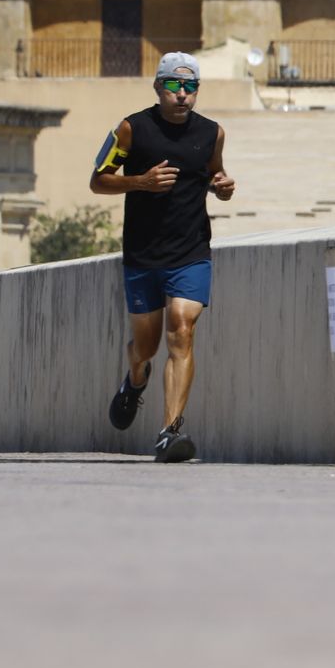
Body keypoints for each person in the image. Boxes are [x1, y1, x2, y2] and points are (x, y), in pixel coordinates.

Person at [91, 52, 235, 462]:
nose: (183, 95)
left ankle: (169, 432)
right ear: (158, 87)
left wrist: (221, 186)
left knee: (182, 329)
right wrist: (141, 181)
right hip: (143, 255)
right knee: (146, 346)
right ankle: (135, 380)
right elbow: (98, 180)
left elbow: (211, 173)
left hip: (191, 251)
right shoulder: (131, 129)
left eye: (191, 87)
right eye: (175, 85)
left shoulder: (212, 133)